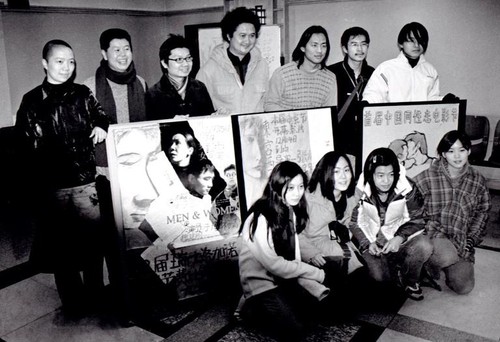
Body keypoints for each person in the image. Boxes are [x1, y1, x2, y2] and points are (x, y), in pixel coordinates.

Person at [15, 39, 109, 316]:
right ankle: (73, 302)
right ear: (45, 64)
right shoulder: (32, 100)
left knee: (93, 245)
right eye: (59, 61)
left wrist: (101, 126)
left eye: (71, 61)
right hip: (53, 187)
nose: (66, 67)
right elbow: (25, 147)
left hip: (85, 183)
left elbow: (101, 116)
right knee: (62, 248)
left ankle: (96, 294)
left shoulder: (83, 93)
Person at [83, 28, 147, 299]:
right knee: (106, 236)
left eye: (127, 48)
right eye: (116, 49)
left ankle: (131, 284)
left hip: (135, 171)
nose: (123, 54)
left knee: (134, 231)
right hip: (104, 173)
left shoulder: (141, 83)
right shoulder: (89, 86)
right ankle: (105, 291)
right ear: (104, 53)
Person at [238, 161, 328, 342]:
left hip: (282, 280)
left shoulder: (289, 210)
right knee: (295, 331)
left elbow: (294, 256)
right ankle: (248, 307)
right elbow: (274, 265)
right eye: (291, 187)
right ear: (277, 186)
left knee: (315, 316)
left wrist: (305, 281)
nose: (297, 193)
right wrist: (314, 272)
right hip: (261, 284)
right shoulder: (259, 217)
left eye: (301, 186)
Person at [349, 148, 432, 300]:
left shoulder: (408, 188)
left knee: (424, 246)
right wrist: (367, 243)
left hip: (398, 242)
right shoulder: (359, 190)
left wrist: (399, 237)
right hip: (373, 244)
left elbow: (419, 220)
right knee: (382, 283)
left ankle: (410, 280)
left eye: (391, 174)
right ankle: (395, 269)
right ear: (370, 174)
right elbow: (353, 222)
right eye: (380, 175)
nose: (386, 181)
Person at [414, 130, 491, 294]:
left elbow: (482, 212)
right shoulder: (427, 177)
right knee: (446, 255)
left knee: (464, 287)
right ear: (443, 154)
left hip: (460, 240)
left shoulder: (478, 181)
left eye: (462, 150)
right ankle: (424, 265)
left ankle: (437, 265)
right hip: (433, 235)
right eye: (451, 151)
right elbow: (410, 208)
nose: (457, 156)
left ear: (469, 151)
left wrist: (471, 239)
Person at [299, 152, 364, 278]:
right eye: (336, 172)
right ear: (326, 173)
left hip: (343, 245)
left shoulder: (352, 196)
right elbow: (296, 233)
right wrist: (311, 253)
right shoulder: (309, 198)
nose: (343, 176)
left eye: (347, 170)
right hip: (317, 251)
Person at [196, 7, 269, 114]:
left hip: (255, 129)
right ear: (229, 36)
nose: (247, 41)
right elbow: (200, 109)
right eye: (242, 35)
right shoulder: (209, 69)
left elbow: (266, 101)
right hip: (225, 129)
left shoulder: (262, 65)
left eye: (252, 36)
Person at [363, 22, 455, 103]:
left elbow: (431, 99)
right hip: (394, 120)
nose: (416, 45)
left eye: (420, 41)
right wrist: (365, 103)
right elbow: (374, 95)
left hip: (421, 121)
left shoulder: (430, 70)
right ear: (401, 44)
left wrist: (444, 100)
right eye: (411, 41)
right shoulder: (386, 68)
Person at [264, 25, 337, 112]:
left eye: (323, 46)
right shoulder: (282, 74)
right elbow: (269, 105)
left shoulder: (330, 78)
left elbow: (329, 113)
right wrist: (296, 116)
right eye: (314, 45)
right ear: (303, 48)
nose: (319, 50)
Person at [327, 27, 374, 156]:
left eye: (363, 44)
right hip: (339, 143)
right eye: (354, 44)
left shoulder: (374, 74)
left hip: (366, 141)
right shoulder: (331, 73)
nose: (360, 49)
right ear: (344, 49)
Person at [146, 34, 215, 120]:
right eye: (179, 59)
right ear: (164, 63)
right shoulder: (153, 94)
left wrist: (216, 115)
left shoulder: (200, 87)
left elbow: (208, 118)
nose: (185, 64)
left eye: (188, 58)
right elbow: (151, 129)